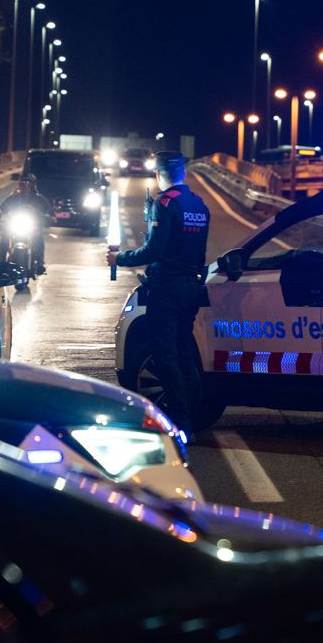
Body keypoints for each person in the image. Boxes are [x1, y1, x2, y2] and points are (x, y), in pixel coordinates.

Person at [107, 151, 210, 435]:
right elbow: (199, 252)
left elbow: (155, 251)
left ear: (159, 174)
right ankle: (192, 417)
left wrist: (120, 258)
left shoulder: (165, 204)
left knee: (165, 356)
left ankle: (179, 422)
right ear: (184, 174)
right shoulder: (199, 205)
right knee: (184, 354)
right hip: (191, 285)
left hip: (167, 288)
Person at [0, 174, 49, 276]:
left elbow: (47, 210)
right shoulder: (13, 197)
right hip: (16, 224)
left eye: (27, 183)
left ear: (33, 185)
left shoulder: (39, 199)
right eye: (23, 183)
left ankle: (40, 263)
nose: (24, 185)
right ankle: (1, 264)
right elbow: (3, 208)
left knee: (39, 238)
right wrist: (0, 214)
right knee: (5, 238)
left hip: (32, 225)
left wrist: (47, 216)